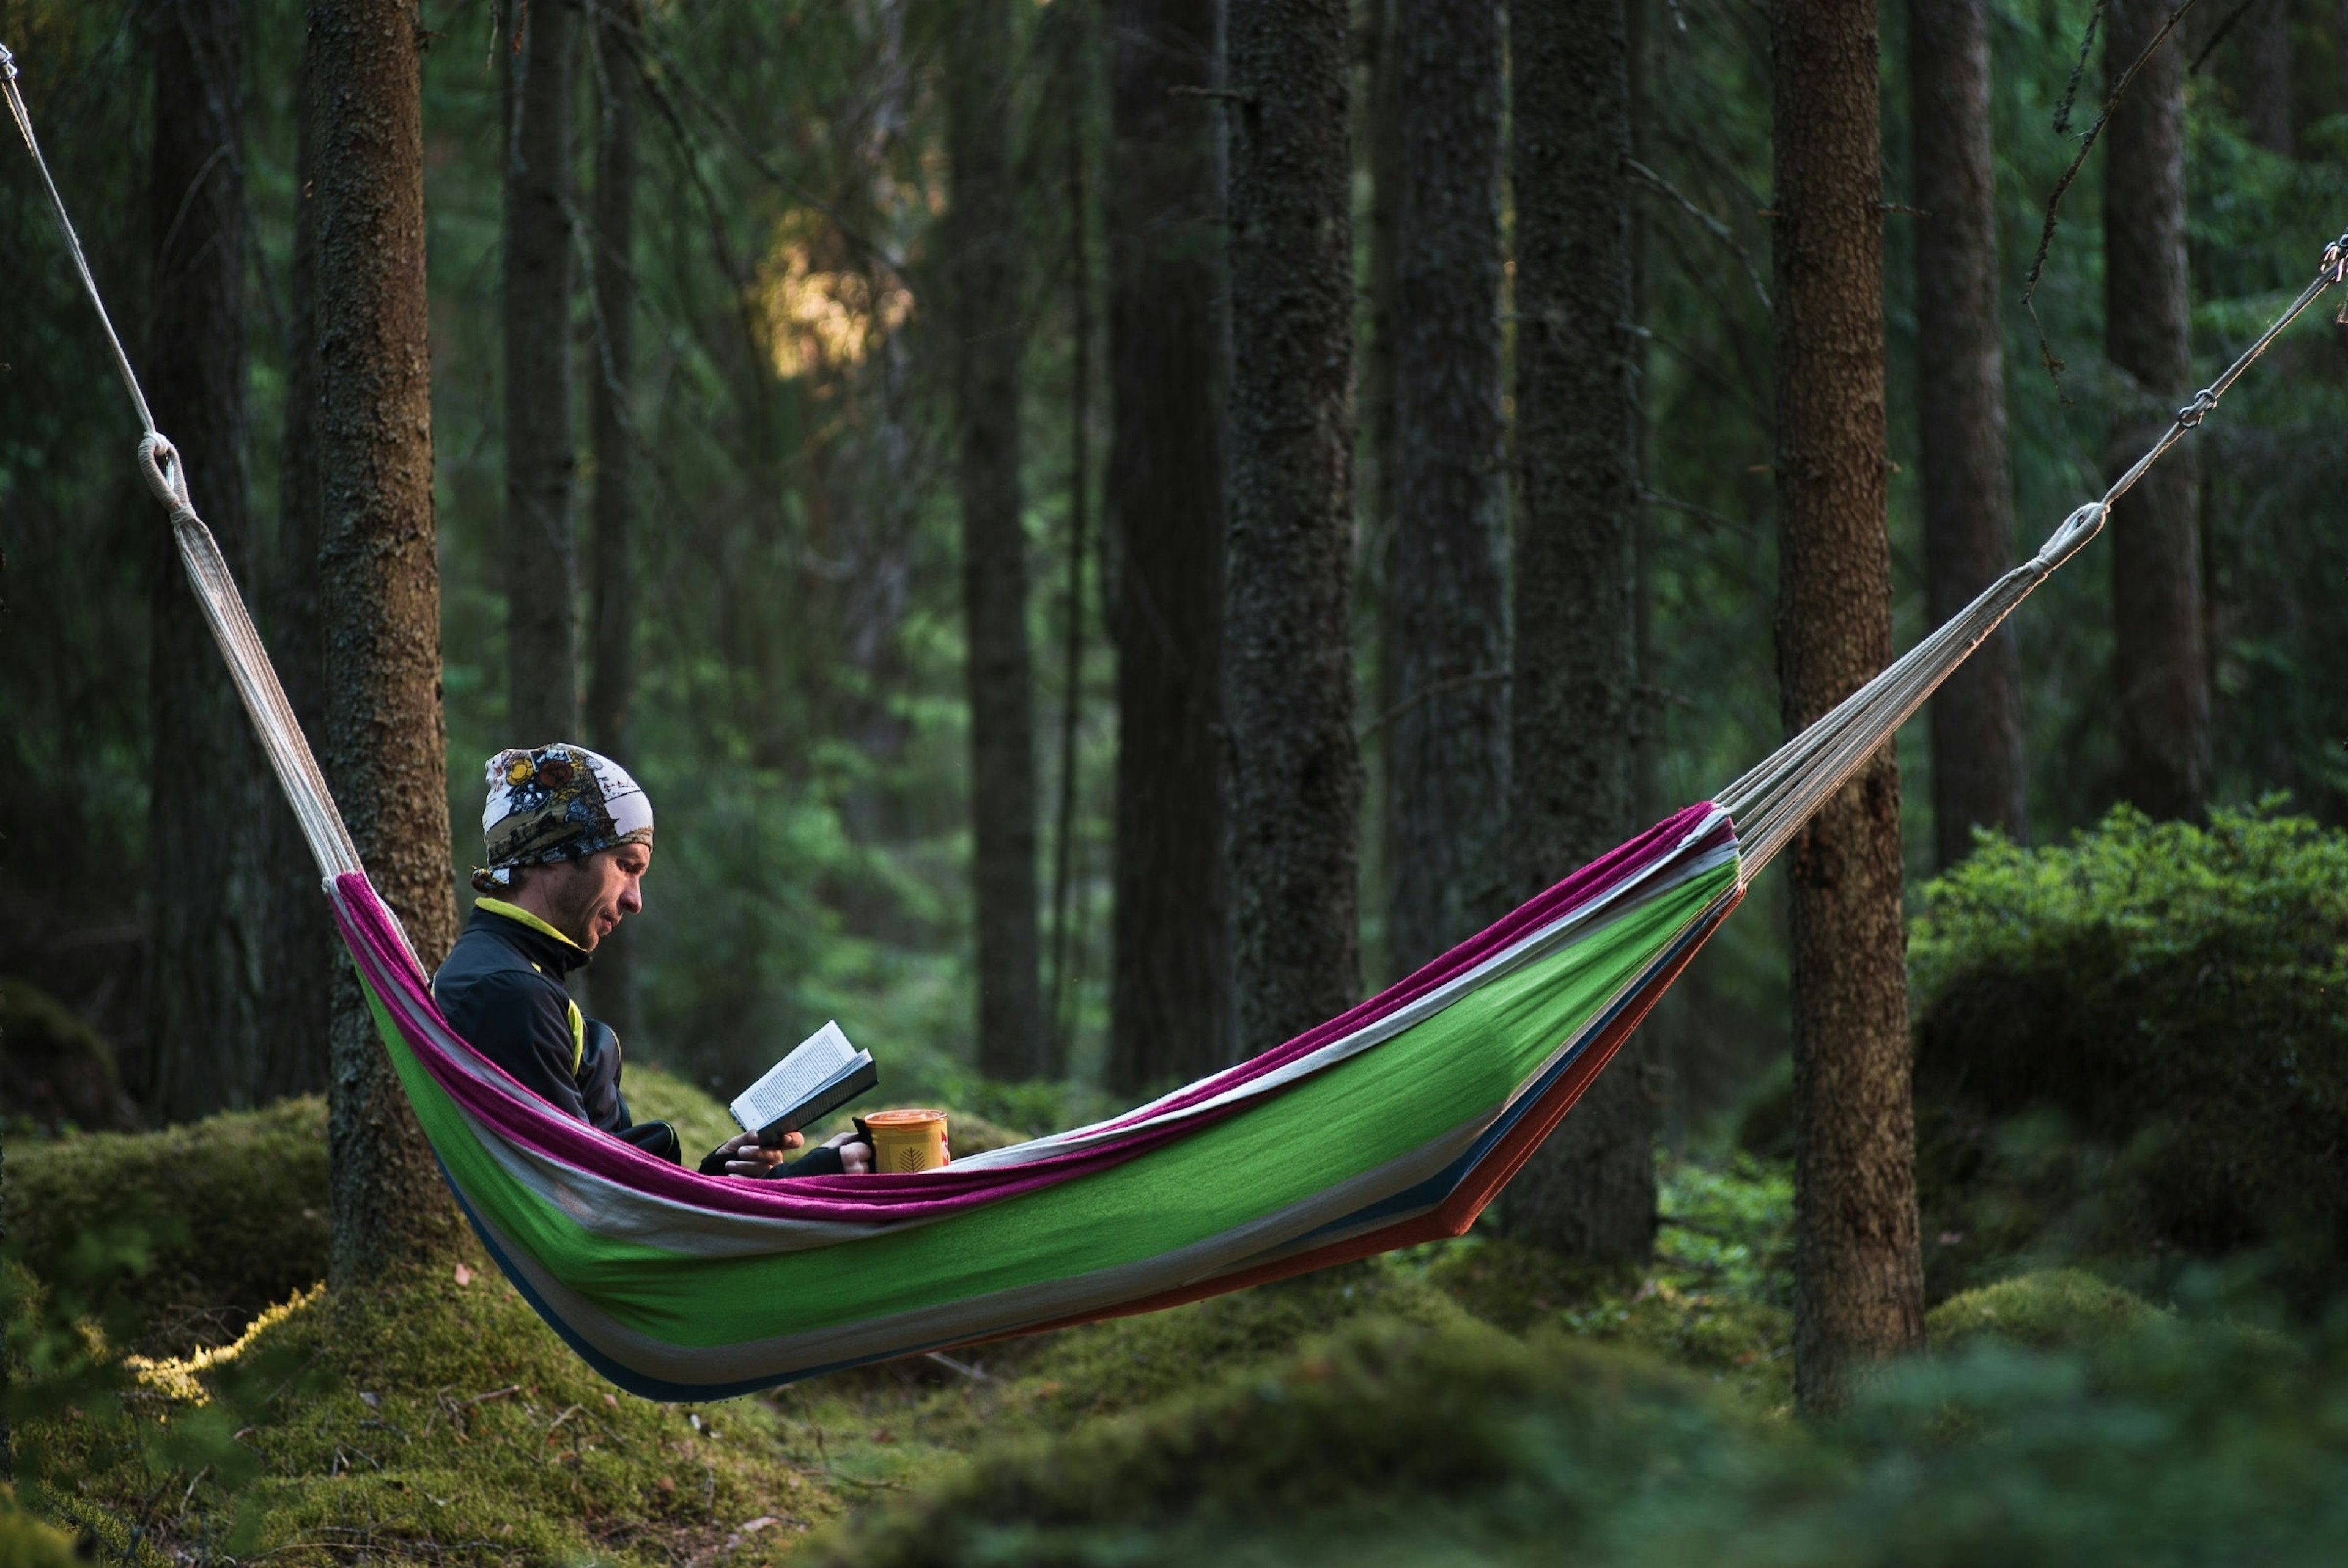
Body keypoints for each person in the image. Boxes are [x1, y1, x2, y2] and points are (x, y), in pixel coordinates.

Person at [431, 743, 874, 1177]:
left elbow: (616, 1197)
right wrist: (813, 1177)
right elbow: (594, 1206)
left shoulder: (504, 972)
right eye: (626, 865)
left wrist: (723, 1172)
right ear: (555, 853)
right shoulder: (506, 992)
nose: (634, 900)